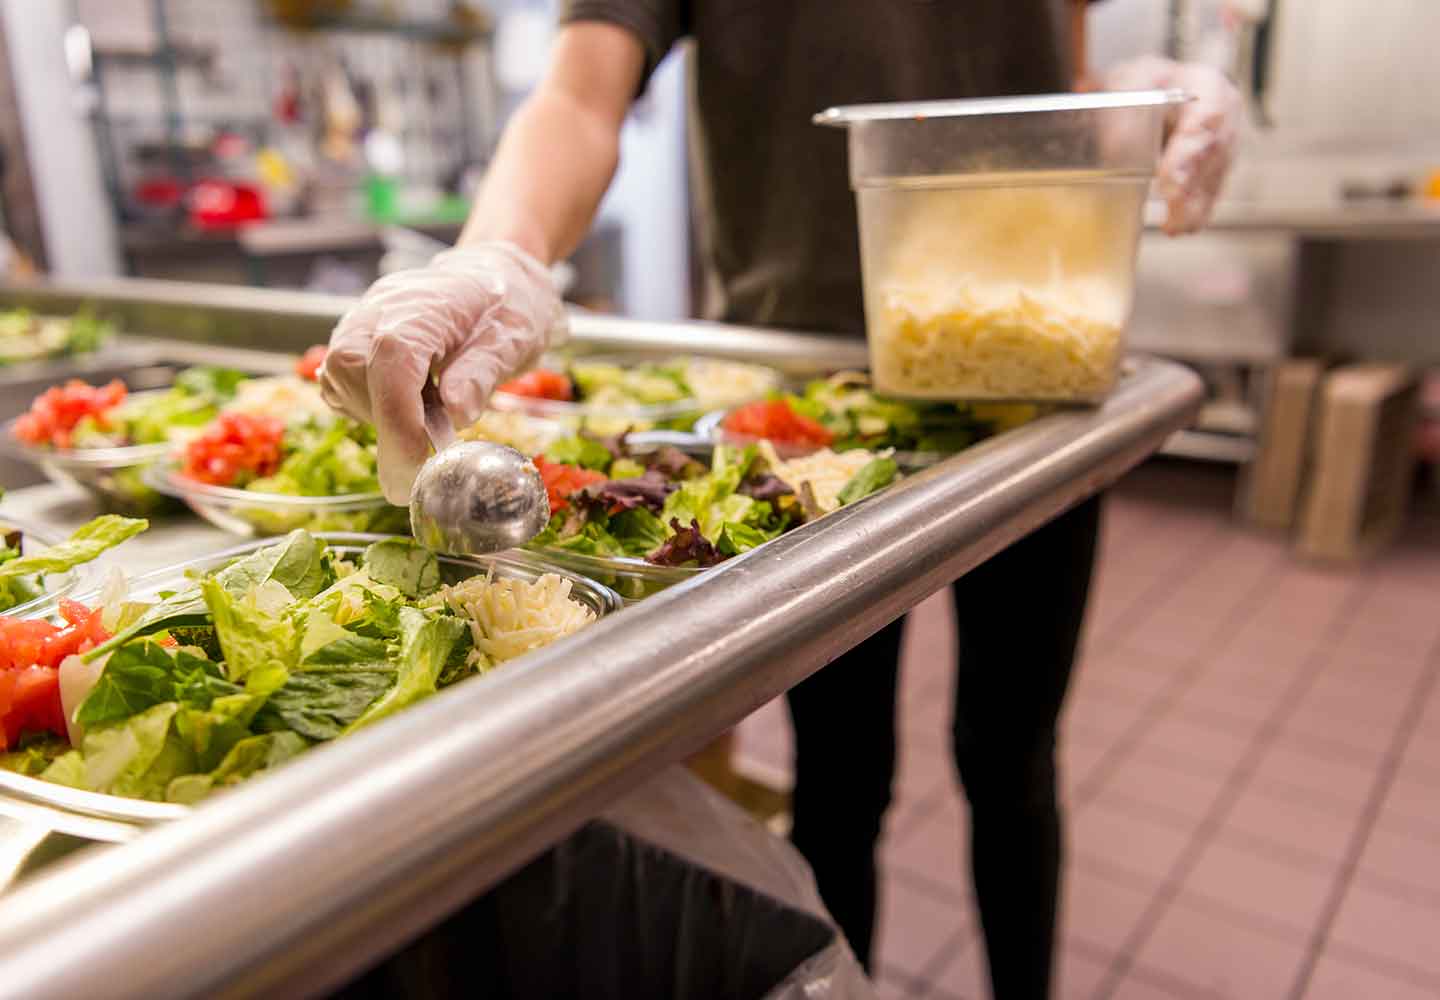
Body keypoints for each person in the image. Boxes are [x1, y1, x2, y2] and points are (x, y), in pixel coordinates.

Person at [320, 4, 1240, 996]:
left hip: (1037, 350)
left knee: (1013, 756)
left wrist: (1136, 104)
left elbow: (1052, 82)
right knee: (841, 776)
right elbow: (582, 97)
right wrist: (501, 251)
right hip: (803, 405)